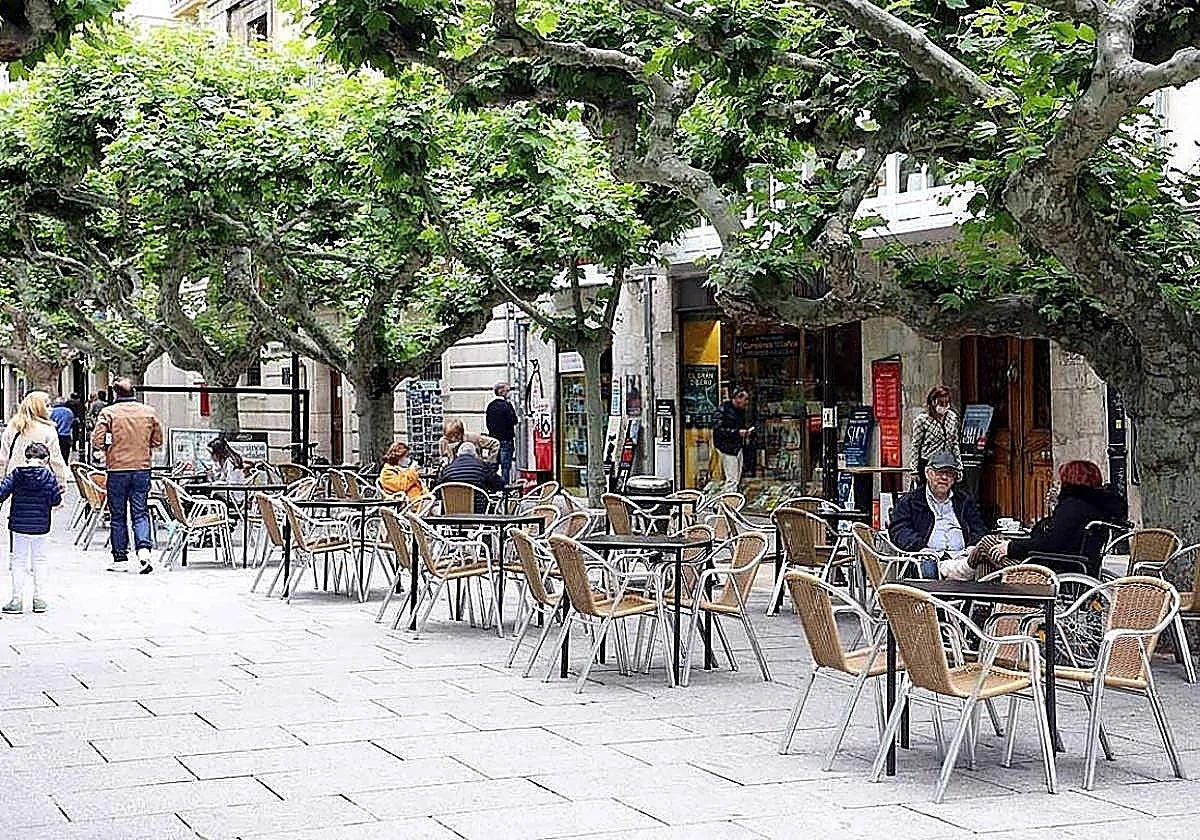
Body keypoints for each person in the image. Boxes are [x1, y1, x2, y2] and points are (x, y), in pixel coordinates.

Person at [990, 459, 1128, 576]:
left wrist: (1011, 547)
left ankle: (972, 588)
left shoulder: (1074, 506)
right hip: (1074, 563)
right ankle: (977, 598)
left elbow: (1050, 544)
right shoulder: (1094, 506)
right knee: (985, 554)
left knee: (987, 544)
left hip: (1052, 567)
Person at [90, 377, 163, 574]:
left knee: (118, 514)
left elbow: (97, 440)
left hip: (117, 468)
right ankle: (144, 550)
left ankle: (120, 558)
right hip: (142, 468)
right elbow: (157, 440)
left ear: (115, 393)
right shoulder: (148, 412)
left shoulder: (109, 413)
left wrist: (107, 448)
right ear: (134, 392)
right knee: (140, 511)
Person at [888, 451, 987, 580]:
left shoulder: (964, 501)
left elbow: (978, 527)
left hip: (962, 556)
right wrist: (920, 548)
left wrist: (972, 545)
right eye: (940, 472)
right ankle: (951, 577)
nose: (945, 478)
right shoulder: (911, 501)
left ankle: (957, 573)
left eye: (950, 474)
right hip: (929, 557)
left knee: (983, 565)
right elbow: (898, 530)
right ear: (928, 473)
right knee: (927, 568)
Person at [0, 442, 62, 614]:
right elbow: (56, 500)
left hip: (18, 524)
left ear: (26, 457)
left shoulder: (17, 474)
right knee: (39, 560)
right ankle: (39, 599)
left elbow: (1, 492)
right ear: (45, 458)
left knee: (18, 561)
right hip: (41, 525)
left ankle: (16, 599)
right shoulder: (49, 476)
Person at [0, 391, 69, 492]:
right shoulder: (48, 429)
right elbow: (55, 459)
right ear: (40, 407)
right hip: (41, 480)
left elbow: (3, 458)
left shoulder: (13, 426)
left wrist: (2, 480)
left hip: (15, 479)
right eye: (47, 405)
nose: (50, 409)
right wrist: (61, 481)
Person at [911, 385, 961, 485]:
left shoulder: (952, 417)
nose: (944, 406)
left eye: (946, 403)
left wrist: (959, 467)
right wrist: (914, 470)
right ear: (933, 402)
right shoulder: (922, 420)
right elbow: (916, 446)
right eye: (941, 403)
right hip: (928, 463)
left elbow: (954, 444)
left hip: (947, 462)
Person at [436, 440, 503, 512]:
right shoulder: (483, 466)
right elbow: (499, 484)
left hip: (451, 513)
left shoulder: (447, 469)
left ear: (458, 454)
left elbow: (438, 491)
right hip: (478, 512)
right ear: (475, 454)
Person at [713, 388, 751, 492]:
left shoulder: (739, 410)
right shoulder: (723, 409)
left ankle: (731, 501)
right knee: (732, 479)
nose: (747, 402)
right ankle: (728, 503)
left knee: (736, 478)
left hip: (736, 447)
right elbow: (718, 429)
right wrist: (737, 432)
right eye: (745, 399)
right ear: (737, 398)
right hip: (727, 448)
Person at [485, 382, 519, 485]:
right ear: (502, 392)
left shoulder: (490, 406)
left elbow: (488, 423)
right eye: (508, 391)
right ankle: (505, 488)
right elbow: (514, 420)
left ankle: (493, 487)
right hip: (506, 439)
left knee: (493, 466)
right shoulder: (506, 405)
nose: (509, 393)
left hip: (493, 440)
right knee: (505, 466)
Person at [49, 397, 76, 464]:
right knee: (65, 455)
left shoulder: (52, 411)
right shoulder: (69, 411)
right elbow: (72, 422)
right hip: (66, 435)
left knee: (56, 455)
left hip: (56, 435)